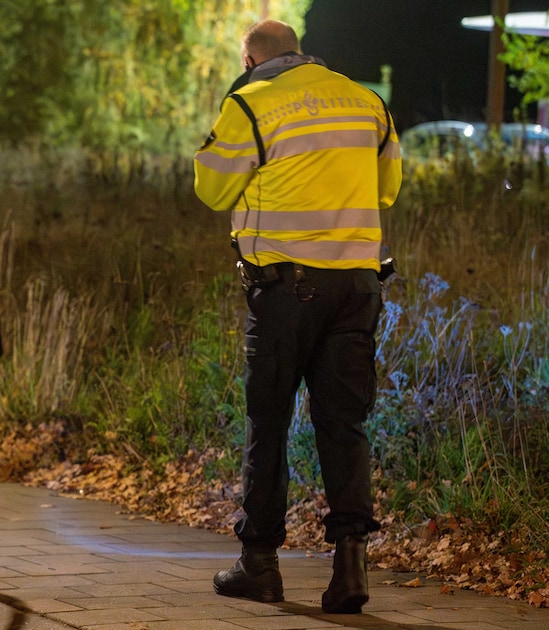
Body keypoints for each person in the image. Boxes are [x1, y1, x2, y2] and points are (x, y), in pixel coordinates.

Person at [193, 20, 401, 615]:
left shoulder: (251, 102)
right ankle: (350, 568)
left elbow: (212, 189)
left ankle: (259, 565)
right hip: (359, 287)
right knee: (345, 425)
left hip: (286, 290)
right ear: (302, 52)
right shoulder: (367, 102)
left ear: (250, 57)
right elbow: (387, 188)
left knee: (270, 422)